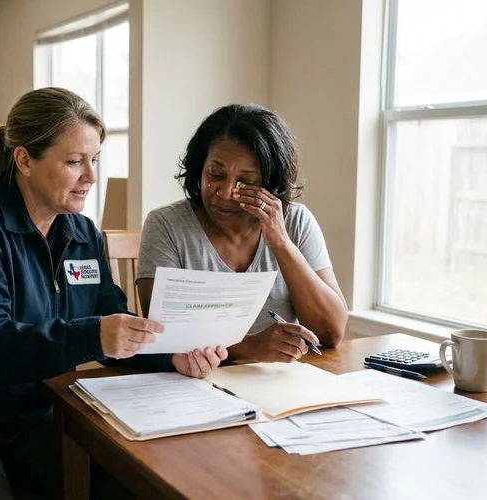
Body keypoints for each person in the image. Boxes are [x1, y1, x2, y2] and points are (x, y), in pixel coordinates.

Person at [0, 88, 222, 499]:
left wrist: (170, 354)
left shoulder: (81, 233)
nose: (90, 176)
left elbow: (115, 323)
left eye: (94, 160)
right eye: (74, 162)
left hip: (34, 419)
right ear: (24, 160)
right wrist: (93, 335)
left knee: (143, 483)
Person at [137, 104, 348, 365]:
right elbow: (163, 340)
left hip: (282, 384)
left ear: (271, 183)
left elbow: (331, 333)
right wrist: (248, 348)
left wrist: (281, 242)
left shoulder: (296, 221)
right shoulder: (166, 225)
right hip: (193, 386)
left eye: (246, 181)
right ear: (199, 168)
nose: (225, 193)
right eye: (215, 174)